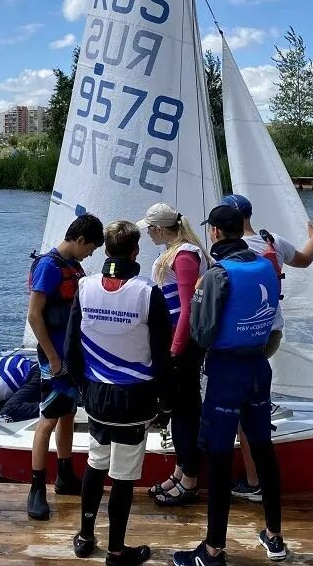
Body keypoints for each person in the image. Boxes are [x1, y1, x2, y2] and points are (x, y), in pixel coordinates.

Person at [173, 205, 288, 566]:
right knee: (263, 451)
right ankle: (274, 537)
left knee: (220, 459)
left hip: (226, 374)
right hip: (259, 368)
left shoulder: (217, 275)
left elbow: (201, 332)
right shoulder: (268, 265)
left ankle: (212, 552)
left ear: (216, 234)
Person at [64, 220, 173, 566]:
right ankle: (115, 551)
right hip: (133, 399)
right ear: (134, 252)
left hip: (96, 395)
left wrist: (84, 386)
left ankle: (84, 536)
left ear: (106, 250)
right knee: (123, 476)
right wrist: (165, 400)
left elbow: (70, 349)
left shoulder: (84, 286)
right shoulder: (147, 293)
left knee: (96, 465)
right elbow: (162, 352)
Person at [219, 193, 313, 502]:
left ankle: (254, 481)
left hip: (241, 337)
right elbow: (303, 260)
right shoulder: (270, 239)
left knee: (240, 410)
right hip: (271, 333)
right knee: (252, 396)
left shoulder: (228, 250)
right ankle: (258, 420)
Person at [26, 213, 105, 520]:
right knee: (48, 419)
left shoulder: (73, 265)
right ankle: (36, 489)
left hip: (73, 357)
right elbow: (35, 315)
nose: (91, 253)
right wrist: (54, 359)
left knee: (68, 415)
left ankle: (65, 474)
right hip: (55, 358)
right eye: (91, 248)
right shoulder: (48, 266)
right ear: (80, 240)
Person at [138, 202, 209, 507]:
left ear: (162, 228)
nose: (148, 233)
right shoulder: (177, 251)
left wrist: (175, 350)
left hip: (185, 344)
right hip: (178, 341)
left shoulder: (184, 256)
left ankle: (190, 480)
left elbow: (186, 308)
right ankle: (181, 471)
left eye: (150, 228)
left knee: (184, 413)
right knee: (180, 411)